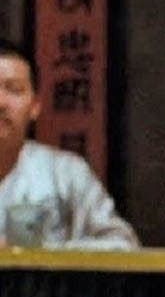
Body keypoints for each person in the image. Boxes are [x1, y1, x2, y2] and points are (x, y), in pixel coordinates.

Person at [0, 38, 138, 250]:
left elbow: (123, 245)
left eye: (14, 89)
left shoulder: (66, 173)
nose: (1, 102)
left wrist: (45, 252)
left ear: (35, 105)